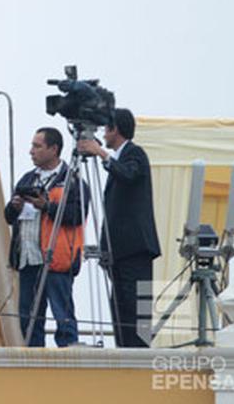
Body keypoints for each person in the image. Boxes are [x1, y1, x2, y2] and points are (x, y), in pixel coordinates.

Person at [78, 108, 160, 348]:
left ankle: (139, 359)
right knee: (121, 312)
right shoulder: (121, 159)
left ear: (115, 129)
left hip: (135, 250)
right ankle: (126, 356)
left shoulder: (135, 154)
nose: (103, 133)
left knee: (136, 312)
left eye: (106, 128)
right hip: (120, 253)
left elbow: (129, 175)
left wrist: (101, 154)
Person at [4, 127, 89, 347]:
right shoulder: (28, 178)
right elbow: (8, 217)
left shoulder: (72, 180)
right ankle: (33, 361)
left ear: (54, 149)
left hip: (56, 259)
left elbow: (77, 215)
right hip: (29, 258)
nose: (31, 151)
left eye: (37, 146)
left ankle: (69, 357)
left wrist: (47, 206)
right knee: (28, 318)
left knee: (63, 314)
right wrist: (14, 207)